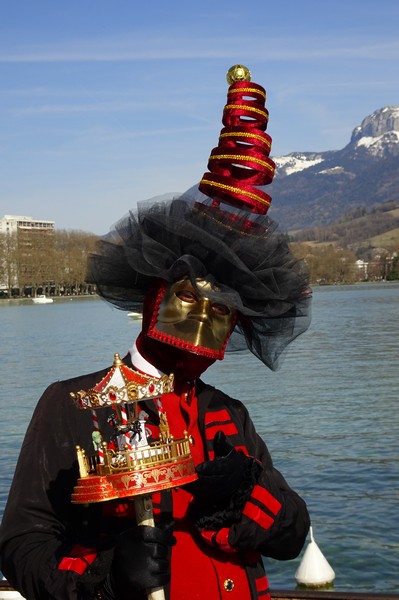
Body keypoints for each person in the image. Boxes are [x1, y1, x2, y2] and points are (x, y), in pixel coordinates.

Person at [0, 66, 312, 600]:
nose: (202, 318)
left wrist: (248, 493)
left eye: (224, 309)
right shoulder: (72, 405)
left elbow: (292, 535)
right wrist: (106, 575)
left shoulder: (228, 414)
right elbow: (22, 545)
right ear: (155, 296)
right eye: (189, 296)